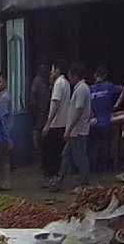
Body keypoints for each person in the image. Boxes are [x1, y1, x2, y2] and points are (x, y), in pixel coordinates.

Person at [50, 63, 91, 191]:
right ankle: (60, 179)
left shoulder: (81, 89)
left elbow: (78, 111)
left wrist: (69, 129)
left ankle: (84, 182)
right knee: (66, 155)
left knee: (79, 156)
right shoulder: (80, 88)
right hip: (75, 130)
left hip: (77, 130)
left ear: (75, 75)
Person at [42, 60, 71, 184]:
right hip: (63, 123)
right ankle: (56, 177)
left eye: (52, 70)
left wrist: (48, 124)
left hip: (55, 124)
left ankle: (53, 178)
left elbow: (55, 104)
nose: (51, 72)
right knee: (58, 152)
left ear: (57, 70)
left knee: (51, 153)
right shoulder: (66, 83)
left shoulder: (58, 83)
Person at [89, 66, 121, 173]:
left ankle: (93, 168)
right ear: (105, 75)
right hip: (106, 122)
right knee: (105, 146)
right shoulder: (109, 86)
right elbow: (123, 89)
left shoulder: (90, 89)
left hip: (93, 122)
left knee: (94, 146)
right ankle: (103, 168)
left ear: (95, 75)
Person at [0, 74, 13, 191]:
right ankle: (4, 182)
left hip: (3, 132)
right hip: (2, 132)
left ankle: (5, 182)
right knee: (3, 159)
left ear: (5, 83)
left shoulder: (4, 98)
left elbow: (1, 117)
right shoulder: (0, 96)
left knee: (3, 159)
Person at [30, 62, 51, 160]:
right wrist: (35, 106)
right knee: (37, 130)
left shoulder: (45, 80)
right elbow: (33, 93)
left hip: (45, 109)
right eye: (43, 69)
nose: (45, 71)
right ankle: (37, 150)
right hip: (39, 109)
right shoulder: (37, 81)